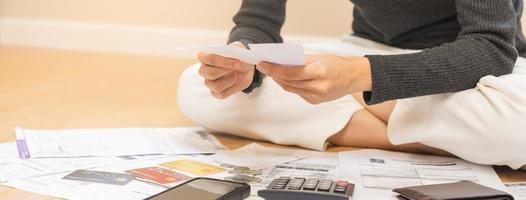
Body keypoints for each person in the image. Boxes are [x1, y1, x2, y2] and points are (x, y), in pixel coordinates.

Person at [178, 0, 526, 169]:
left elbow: (490, 47)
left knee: (519, 126)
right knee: (195, 86)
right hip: (366, 50)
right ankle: (431, 138)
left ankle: (361, 114)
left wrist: (357, 78)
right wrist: (242, 59)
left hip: (468, 63)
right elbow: (256, 22)